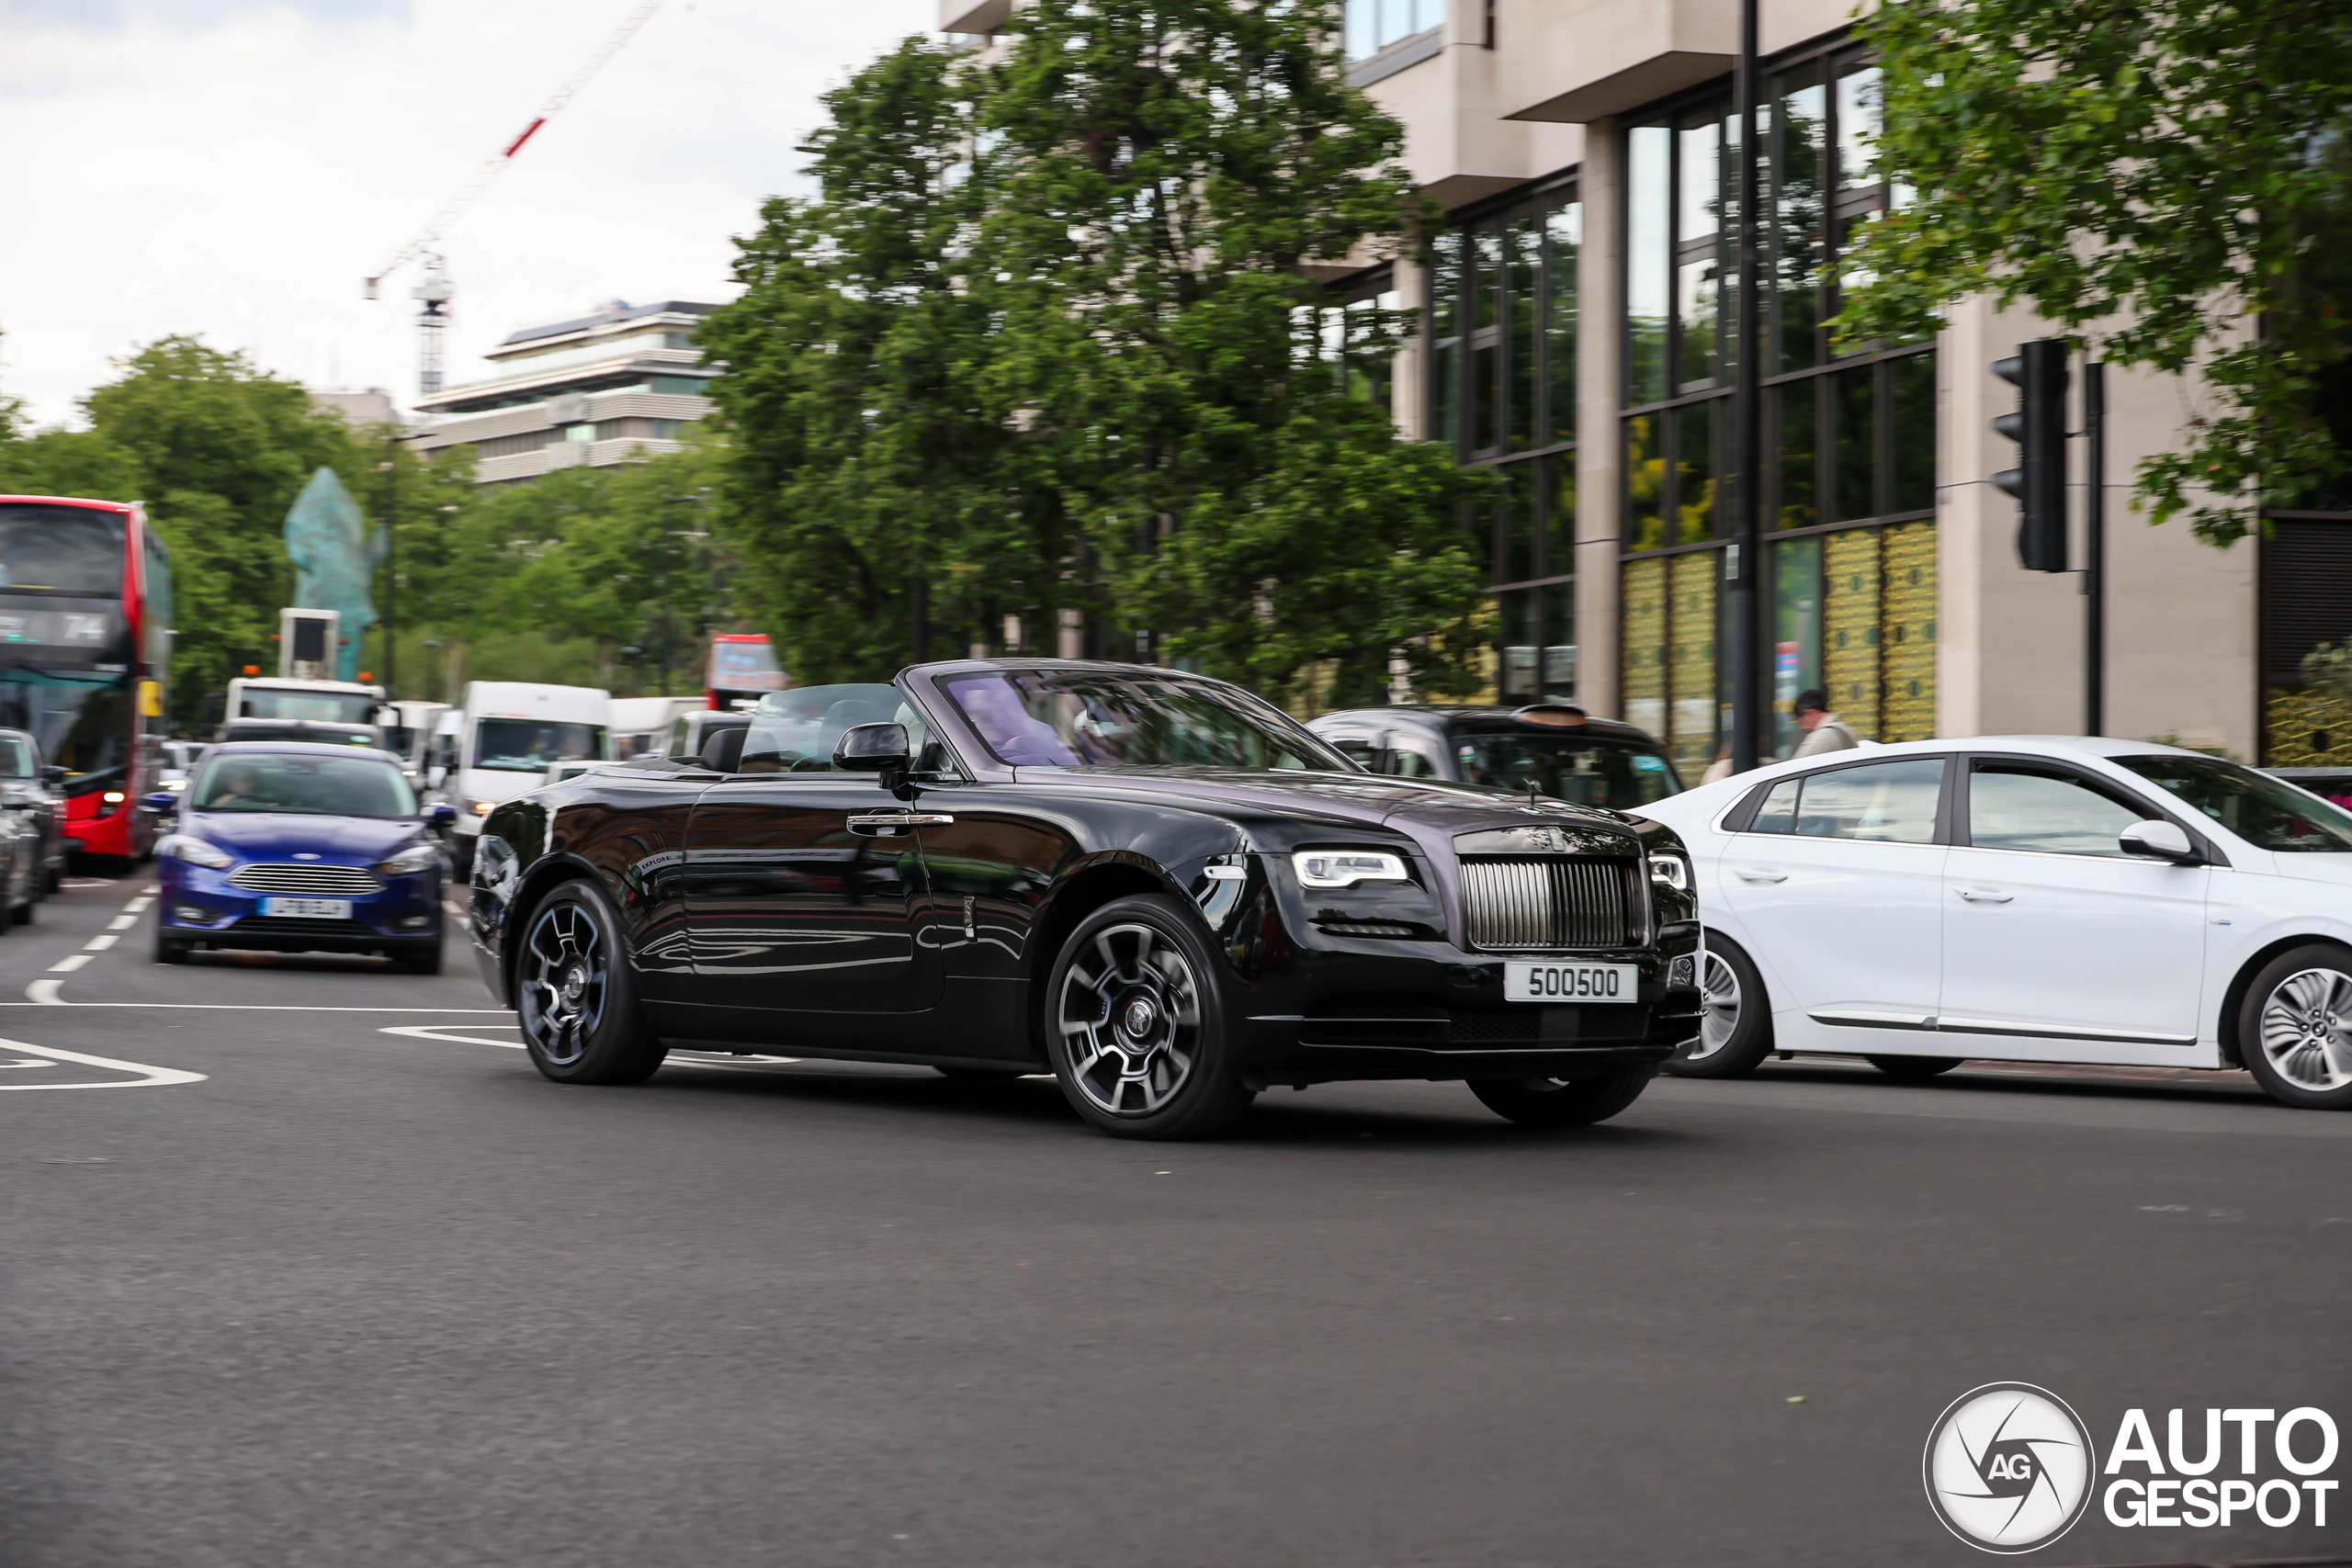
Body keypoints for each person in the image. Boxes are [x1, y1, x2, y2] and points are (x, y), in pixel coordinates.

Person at [1791, 688, 1860, 758]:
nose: (1801, 728)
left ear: (1811, 713)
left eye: (1801, 722)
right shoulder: (1846, 730)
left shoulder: (1820, 738)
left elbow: (1797, 766)